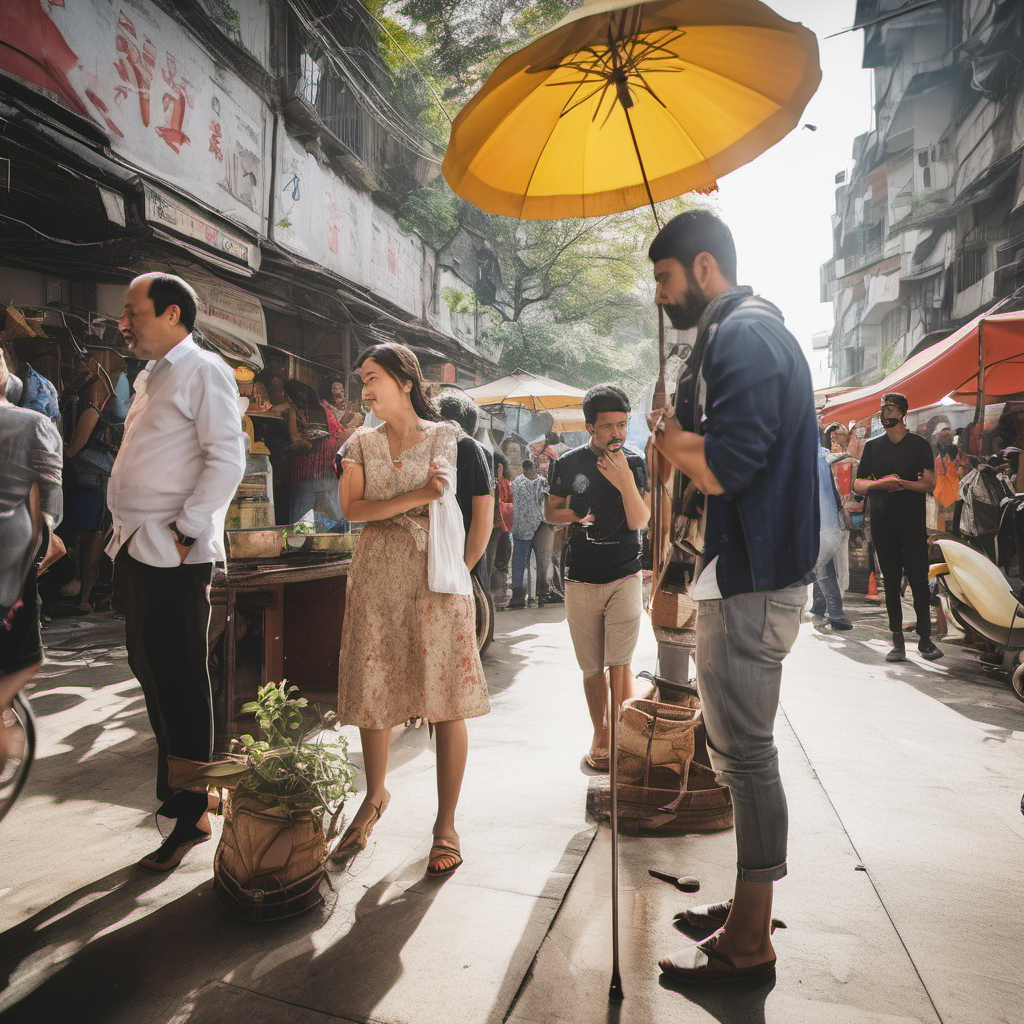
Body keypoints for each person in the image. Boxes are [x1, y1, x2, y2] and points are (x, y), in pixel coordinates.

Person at [647, 209, 819, 983]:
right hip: (743, 574)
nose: (659, 294)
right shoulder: (734, 335)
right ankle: (745, 909)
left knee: (747, 756)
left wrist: (671, 441)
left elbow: (726, 469)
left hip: (751, 579)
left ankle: (749, 940)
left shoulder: (744, 336)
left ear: (704, 268)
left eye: (665, 277)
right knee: (736, 752)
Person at [107, 272, 246, 871]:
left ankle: (194, 811)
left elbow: (227, 455)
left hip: (175, 549)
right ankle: (190, 797)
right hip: (135, 544)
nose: (124, 321)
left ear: (171, 314)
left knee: (184, 677)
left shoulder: (204, 368)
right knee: (151, 670)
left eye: (132, 311)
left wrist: (189, 526)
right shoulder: (154, 373)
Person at [335, 343, 490, 875]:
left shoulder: (455, 443)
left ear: (405, 380)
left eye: (373, 377)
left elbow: (479, 520)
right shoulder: (358, 442)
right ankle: (375, 795)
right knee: (373, 686)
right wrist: (418, 495)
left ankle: (445, 825)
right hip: (376, 579)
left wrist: (457, 575)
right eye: (362, 380)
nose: (366, 389)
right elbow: (351, 509)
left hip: (438, 584)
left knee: (446, 701)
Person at [546, 385, 649, 772]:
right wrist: (576, 516)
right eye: (607, 427)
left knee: (619, 661)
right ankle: (600, 733)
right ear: (590, 427)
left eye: (621, 425)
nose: (616, 434)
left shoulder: (635, 462)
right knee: (591, 667)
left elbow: (640, 520)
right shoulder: (568, 463)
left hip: (625, 573)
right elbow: (550, 511)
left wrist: (623, 478)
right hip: (580, 578)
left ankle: (620, 734)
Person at [0, 349, 64, 770]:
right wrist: (46, 537)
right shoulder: (34, 424)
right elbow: (50, 505)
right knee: (27, 659)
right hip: (10, 572)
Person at [853, 393, 942, 662]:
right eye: (883, 408)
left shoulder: (919, 445)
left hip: (912, 522)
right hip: (882, 522)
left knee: (918, 580)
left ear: (904, 412)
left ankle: (925, 641)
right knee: (890, 583)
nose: (886, 413)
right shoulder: (872, 446)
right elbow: (857, 485)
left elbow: (929, 484)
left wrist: (900, 483)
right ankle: (897, 641)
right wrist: (881, 484)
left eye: (892, 409)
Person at [435, 388, 495, 589]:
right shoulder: (429, 449)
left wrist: (462, 572)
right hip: (443, 558)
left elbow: (482, 520)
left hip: (464, 559)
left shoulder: (471, 449)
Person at [510, 459, 552, 608]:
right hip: (525, 527)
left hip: (533, 526)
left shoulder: (539, 482)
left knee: (539, 561)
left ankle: (539, 593)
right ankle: (519, 595)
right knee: (521, 561)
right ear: (526, 469)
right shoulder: (520, 483)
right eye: (531, 468)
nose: (534, 470)